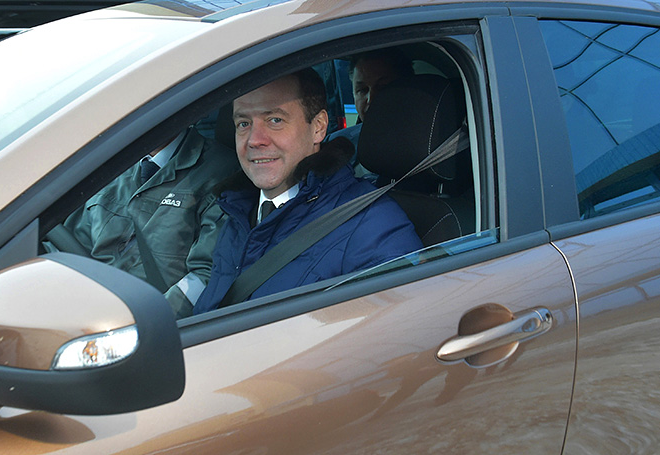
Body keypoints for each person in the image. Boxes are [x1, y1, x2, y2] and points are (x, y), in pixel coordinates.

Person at [192, 69, 423, 314]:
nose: (254, 140)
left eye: (275, 120)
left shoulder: (372, 225)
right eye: (243, 123)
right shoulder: (237, 214)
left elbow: (398, 327)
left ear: (318, 127)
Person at [46, 125, 240, 317]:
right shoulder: (109, 165)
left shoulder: (220, 170)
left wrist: (141, 320)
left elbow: (207, 275)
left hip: (151, 322)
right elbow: (66, 242)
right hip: (84, 307)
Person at [329, 48, 414, 174]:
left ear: (406, 91)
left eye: (382, 87)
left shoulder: (429, 146)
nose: (370, 99)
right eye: (362, 90)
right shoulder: (335, 146)